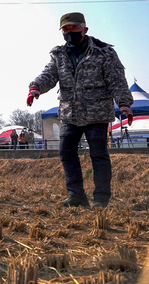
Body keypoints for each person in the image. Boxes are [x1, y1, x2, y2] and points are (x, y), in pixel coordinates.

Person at [27, 12, 133, 208]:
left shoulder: (104, 52)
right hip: (70, 112)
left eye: (74, 28)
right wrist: (36, 88)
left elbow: (116, 80)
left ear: (85, 29)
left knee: (98, 154)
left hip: (97, 112)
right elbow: (49, 74)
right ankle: (76, 196)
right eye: (65, 29)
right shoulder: (58, 54)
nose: (69, 32)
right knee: (66, 152)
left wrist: (124, 103)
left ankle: (101, 199)